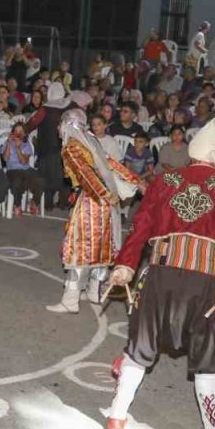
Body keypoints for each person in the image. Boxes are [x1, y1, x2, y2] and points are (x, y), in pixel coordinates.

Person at [105, 120, 215, 429]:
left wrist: (125, 264)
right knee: (207, 358)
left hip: (161, 274)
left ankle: (117, 416)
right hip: (205, 282)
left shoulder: (166, 179)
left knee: (140, 345)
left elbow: (141, 225)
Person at [45, 109, 141, 314]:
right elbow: (111, 163)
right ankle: (94, 292)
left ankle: (70, 299)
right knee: (102, 246)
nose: (58, 129)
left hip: (92, 202)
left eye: (60, 125)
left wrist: (103, 193)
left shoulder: (71, 147)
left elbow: (85, 174)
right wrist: (135, 180)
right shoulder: (91, 140)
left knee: (80, 247)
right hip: (106, 203)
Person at [3, 123, 43, 216]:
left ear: (25, 134)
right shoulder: (7, 143)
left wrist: (18, 148)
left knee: (40, 180)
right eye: (16, 131)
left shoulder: (27, 144)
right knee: (16, 181)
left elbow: (24, 162)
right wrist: (9, 143)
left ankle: (34, 202)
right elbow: (5, 159)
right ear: (12, 132)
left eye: (21, 131)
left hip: (26, 169)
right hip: (12, 170)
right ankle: (17, 204)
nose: (18, 133)